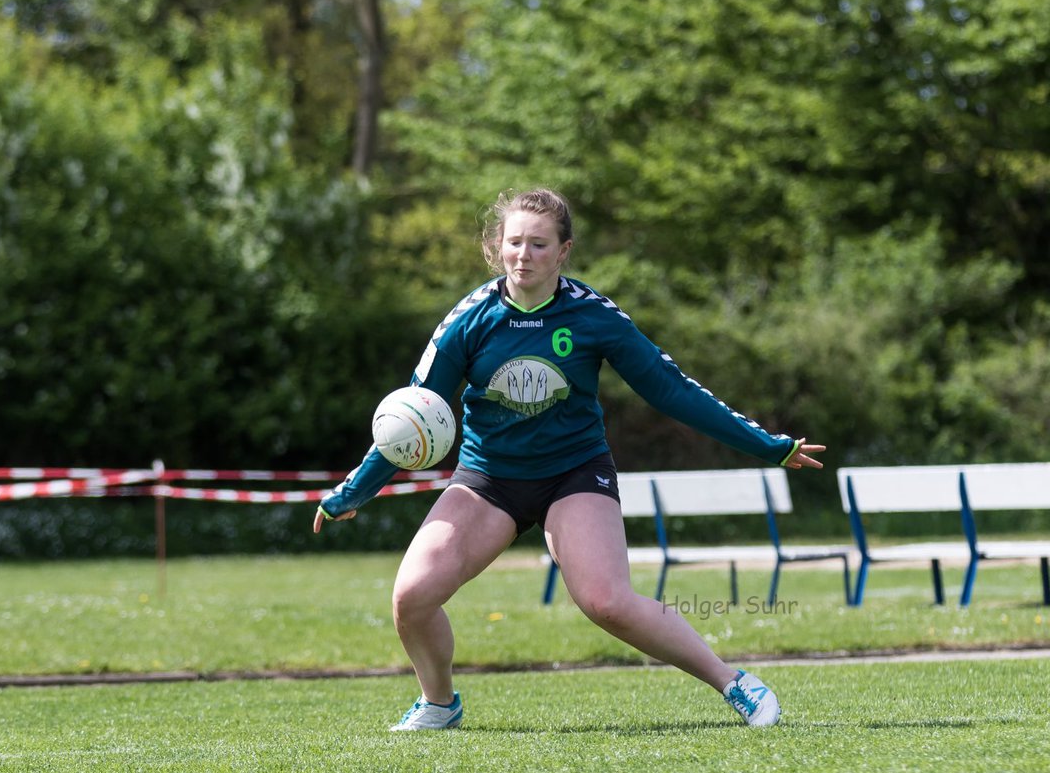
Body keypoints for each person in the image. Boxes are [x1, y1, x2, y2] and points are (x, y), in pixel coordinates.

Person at [313, 188, 825, 731]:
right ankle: (439, 704)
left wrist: (769, 446)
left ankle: (735, 683)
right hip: (488, 480)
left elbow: (672, 391)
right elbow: (411, 417)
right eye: (515, 243)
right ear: (496, 248)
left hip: (574, 474)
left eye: (539, 244)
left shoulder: (592, 316)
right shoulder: (468, 320)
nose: (524, 255)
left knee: (607, 601)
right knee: (412, 597)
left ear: (564, 251)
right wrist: (353, 492)